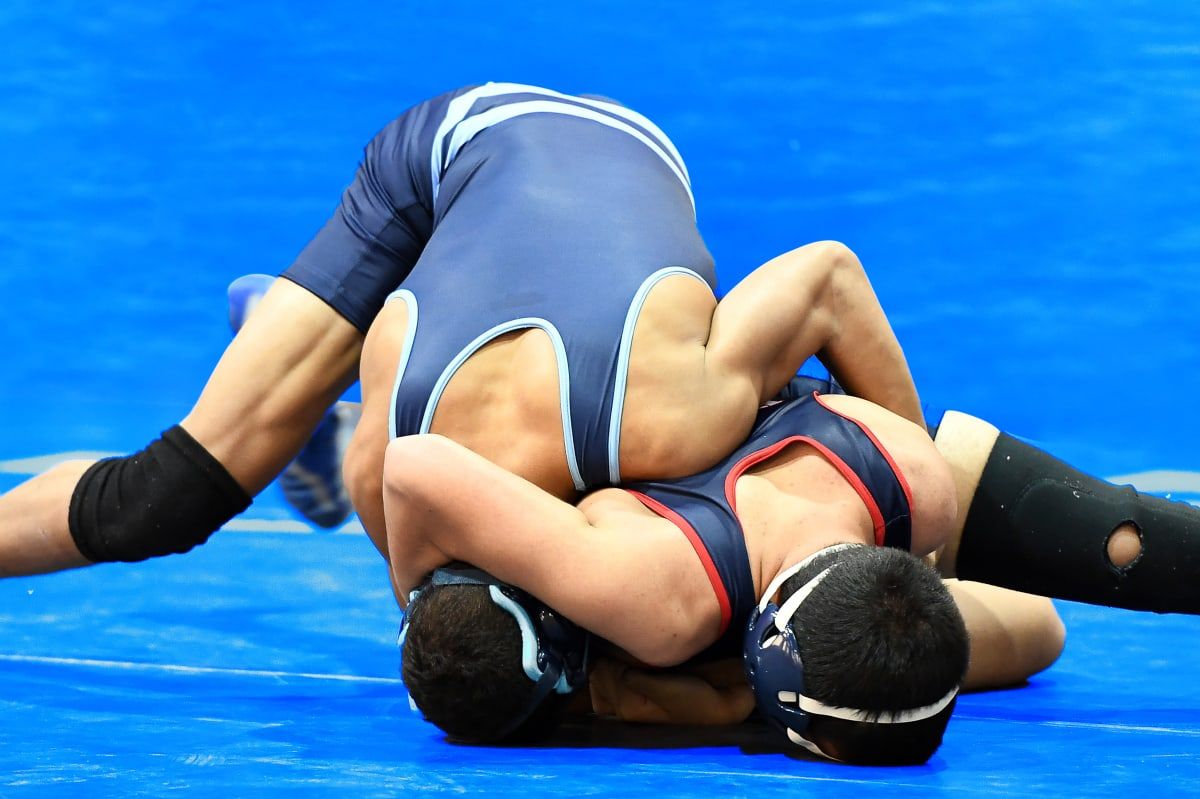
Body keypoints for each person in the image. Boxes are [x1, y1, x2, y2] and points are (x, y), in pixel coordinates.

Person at [0, 82, 923, 579]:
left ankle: (297, 372)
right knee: (166, 499)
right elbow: (830, 274)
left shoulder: (405, 469)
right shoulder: (666, 419)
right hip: (462, 154)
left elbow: (828, 279)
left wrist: (910, 516)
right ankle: (292, 359)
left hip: (583, 193)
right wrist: (921, 529)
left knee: (382, 440)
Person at [387, 380, 1200, 763]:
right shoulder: (636, 615)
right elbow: (1038, 631)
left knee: (1121, 546)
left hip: (823, 472)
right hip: (846, 491)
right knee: (1070, 604)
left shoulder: (638, 599)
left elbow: (407, 465)